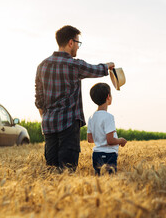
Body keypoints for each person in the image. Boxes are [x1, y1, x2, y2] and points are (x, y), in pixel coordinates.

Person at [35, 25, 115, 172]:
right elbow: (95, 69)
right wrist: (108, 66)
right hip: (68, 127)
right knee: (67, 172)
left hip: (49, 127)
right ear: (71, 42)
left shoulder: (42, 66)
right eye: (78, 43)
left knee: (51, 173)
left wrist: (47, 118)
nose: (78, 47)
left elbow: (39, 99)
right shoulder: (74, 65)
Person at [87, 83, 127, 175]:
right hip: (109, 154)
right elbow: (110, 140)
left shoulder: (91, 117)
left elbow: (90, 139)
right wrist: (121, 140)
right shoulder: (108, 117)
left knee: (100, 181)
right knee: (110, 181)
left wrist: (100, 139)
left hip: (96, 154)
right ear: (108, 97)